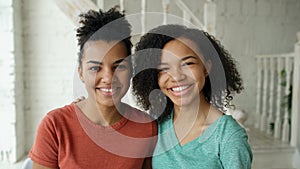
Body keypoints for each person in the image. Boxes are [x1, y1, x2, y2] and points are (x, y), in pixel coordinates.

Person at [29, 7, 157, 169]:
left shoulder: (146, 127)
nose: (109, 78)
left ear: (131, 69)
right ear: (80, 72)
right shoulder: (54, 126)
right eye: (96, 68)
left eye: (119, 67)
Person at [132, 24, 253, 169]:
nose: (176, 77)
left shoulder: (229, 137)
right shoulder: (157, 128)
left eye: (187, 63)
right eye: (164, 69)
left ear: (206, 67)